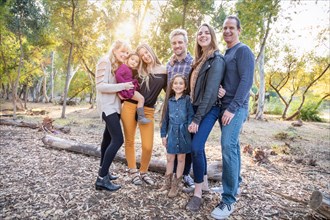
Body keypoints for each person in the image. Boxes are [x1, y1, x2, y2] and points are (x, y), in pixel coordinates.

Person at [210, 15, 254, 219]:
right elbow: (229, 80)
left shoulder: (243, 50)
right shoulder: (227, 53)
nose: (227, 31)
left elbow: (246, 82)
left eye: (231, 28)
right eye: (225, 28)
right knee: (233, 146)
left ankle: (228, 201)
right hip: (224, 107)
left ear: (239, 30)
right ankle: (235, 184)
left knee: (227, 146)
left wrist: (232, 108)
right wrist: (221, 90)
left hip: (235, 109)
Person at [185, 23, 225, 212]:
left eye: (206, 32)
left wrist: (197, 119)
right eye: (199, 33)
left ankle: (198, 194)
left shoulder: (216, 59)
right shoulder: (199, 59)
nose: (202, 35)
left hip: (208, 109)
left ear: (212, 36)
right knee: (197, 149)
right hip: (195, 108)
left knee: (196, 147)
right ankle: (205, 184)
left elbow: (210, 94)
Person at [121, 43, 167, 186]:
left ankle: (144, 172)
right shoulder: (137, 69)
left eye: (146, 52)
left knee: (148, 146)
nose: (145, 56)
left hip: (148, 110)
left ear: (151, 50)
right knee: (129, 141)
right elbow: (124, 80)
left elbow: (171, 91)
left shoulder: (165, 70)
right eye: (141, 55)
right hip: (129, 106)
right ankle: (133, 171)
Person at [94, 40, 134, 191]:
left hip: (115, 107)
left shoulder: (116, 65)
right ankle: (101, 179)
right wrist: (123, 86)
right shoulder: (104, 61)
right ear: (115, 50)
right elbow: (100, 86)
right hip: (107, 106)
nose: (124, 55)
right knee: (118, 140)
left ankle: (103, 172)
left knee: (108, 139)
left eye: (126, 52)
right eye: (122, 51)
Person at [166, 29, 195, 191]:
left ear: (186, 43)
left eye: (180, 42)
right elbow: (168, 87)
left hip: (189, 108)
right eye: (174, 43)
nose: (177, 45)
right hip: (173, 106)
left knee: (187, 143)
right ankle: (173, 179)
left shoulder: (193, 63)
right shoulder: (169, 65)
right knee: (174, 141)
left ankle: (184, 175)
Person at [159, 74, 194, 197]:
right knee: (170, 158)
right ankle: (167, 183)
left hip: (184, 133)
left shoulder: (188, 100)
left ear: (185, 87)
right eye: (176, 83)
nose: (178, 85)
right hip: (172, 132)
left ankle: (175, 186)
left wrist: (190, 125)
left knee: (181, 159)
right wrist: (163, 135)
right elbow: (165, 120)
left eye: (181, 83)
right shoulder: (169, 101)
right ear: (172, 86)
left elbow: (191, 115)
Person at [115, 52, 151, 124]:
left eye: (136, 62)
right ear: (127, 59)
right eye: (132, 59)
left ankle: (140, 117)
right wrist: (124, 85)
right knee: (141, 99)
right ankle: (141, 117)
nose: (134, 62)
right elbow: (118, 75)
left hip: (128, 88)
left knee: (140, 99)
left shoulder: (128, 68)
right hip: (127, 89)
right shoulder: (123, 67)